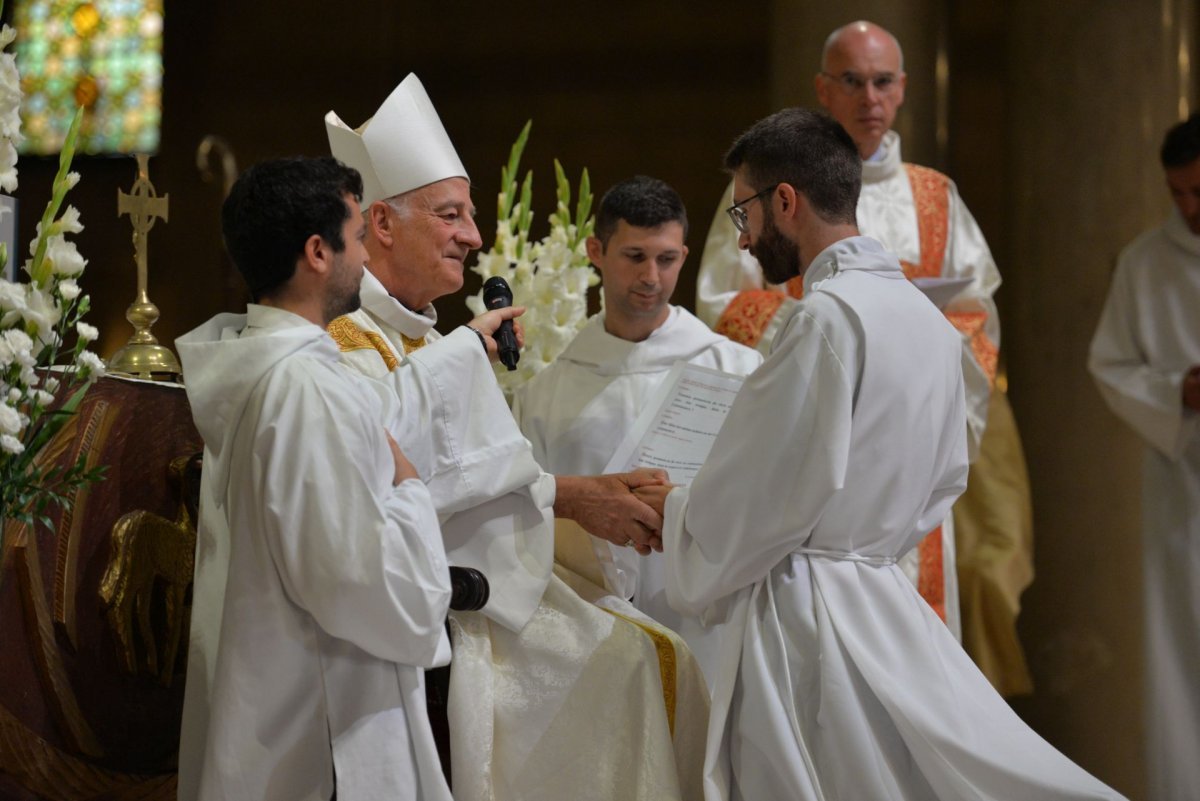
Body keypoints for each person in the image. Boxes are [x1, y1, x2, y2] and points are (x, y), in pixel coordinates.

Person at [641, 107, 1124, 801]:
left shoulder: (823, 321)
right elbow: (947, 476)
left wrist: (676, 506)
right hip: (887, 603)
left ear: (786, 201)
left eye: (744, 212)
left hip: (807, 627)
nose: (742, 238)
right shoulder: (930, 327)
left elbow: (755, 499)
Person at [325, 75, 708, 801]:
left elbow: (466, 477)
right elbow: (390, 491)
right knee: (629, 664)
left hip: (477, 589)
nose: (474, 236)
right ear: (380, 223)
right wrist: (576, 496)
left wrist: (579, 497)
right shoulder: (349, 343)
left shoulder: (412, 338)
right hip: (428, 616)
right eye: (451, 215)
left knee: (663, 655)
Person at [696, 22, 1035, 690]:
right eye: (851, 80)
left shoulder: (937, 197)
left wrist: (896, 331)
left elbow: (976, 316)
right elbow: (720, 305)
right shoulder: (762, 186)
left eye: (882, 81)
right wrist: (831, 330)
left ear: (904, 89)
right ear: (824, 88)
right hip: (810, 445)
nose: (869, 97)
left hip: (896, 460)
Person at [175, 157, 453, 800]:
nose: (365, 255)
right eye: (358, 237)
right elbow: (359, 585)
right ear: (317, 252)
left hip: (282, 710)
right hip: (319, 738)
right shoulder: (307, 389)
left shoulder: (268, 374)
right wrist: (410, 491)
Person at [512, 175, 761, 667]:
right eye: (634, 257)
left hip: (711, 619)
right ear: (596, 252)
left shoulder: (735, 371)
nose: (651, 276)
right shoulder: (546, 395)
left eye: (666, 259)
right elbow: (527, 513)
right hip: (593, 630)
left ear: (684, 258)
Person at [1088, 113, 1200, 801]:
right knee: (1185, 655)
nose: (1188, 208)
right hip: (1184, 484)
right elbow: (1110, 365)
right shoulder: (1145, 260)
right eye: (1178, 193)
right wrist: (1176, 389)